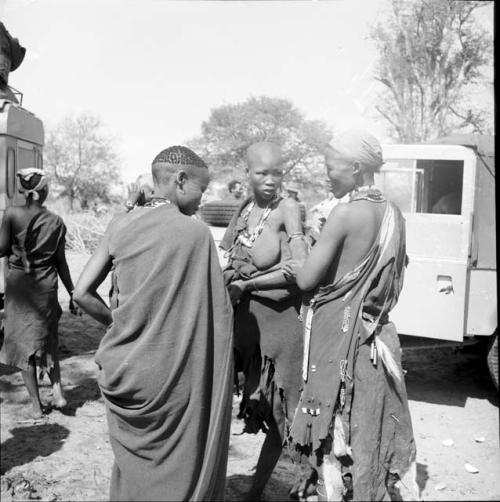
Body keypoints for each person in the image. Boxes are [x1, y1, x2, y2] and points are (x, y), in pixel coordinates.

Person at [73, 145, 234, 501]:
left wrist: (116, 324)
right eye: (202, 190)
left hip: (126, 368)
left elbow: (82, 293)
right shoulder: (195, 234)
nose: (203, 200)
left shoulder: (121, 223)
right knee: (176, 465)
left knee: (135, 466)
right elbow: (212, 313)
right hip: (169, 372)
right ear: (180, 180)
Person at [289, 130, 417, 501]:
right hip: (375, 340)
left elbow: (305, 278)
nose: (326, 175)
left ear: (356, 167)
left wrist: (299, 244)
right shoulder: (394, 215)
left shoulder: (344, 214)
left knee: (333, 435)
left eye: (331, 167)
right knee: (365, 433)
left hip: (339, 343)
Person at [220, 141, 308, 500]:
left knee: (281, 415)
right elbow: (227, 255)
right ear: (248, 174)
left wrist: (248, 283)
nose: (270, 180)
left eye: (277, 173)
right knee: (237, 404)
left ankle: (259, 490)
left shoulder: (288, 208)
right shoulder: (244, 209)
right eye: (262, 173)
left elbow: (299, 269)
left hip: (278, 328)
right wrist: (229, 281)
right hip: (244, 327)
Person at [0, 168, 79, 418]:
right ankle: (57, 392)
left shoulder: (12, 213)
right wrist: (73, 293)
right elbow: (62, 262)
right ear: (44, 191)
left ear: (23, 191)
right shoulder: (56, 221)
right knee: (47, 338)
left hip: (19, 288)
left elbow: (1, 249)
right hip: (46, 287)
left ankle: (35, 407)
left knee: (24, 347)